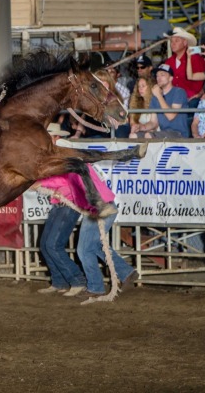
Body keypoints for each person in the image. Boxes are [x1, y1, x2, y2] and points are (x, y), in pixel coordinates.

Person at [35, 126, 138, 299]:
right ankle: (126, 272)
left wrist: (43, 184)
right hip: (101, 206)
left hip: (99, 207)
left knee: (84, 249)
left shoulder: (72, 164)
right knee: (93, 246)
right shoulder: (77, 164)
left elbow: (62, 182)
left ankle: (96, 287)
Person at [131, 64, 189, 138]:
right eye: (157, 75)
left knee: (149, 135)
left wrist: (159, 96)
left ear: (171, 78)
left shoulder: (179, 92)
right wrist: (140, 127)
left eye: (162, 75)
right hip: (163, 132)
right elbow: (153, 122)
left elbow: (171, 116)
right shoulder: (155, 96)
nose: (159, 78)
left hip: (178, 133)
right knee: (133, 135)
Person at [163, 27, 205, 102]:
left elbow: (199, 83)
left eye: (177, 41)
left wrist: (194, 96)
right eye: (172, 41)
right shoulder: (168, 62)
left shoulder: (195, 58)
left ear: (185, 42)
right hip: (173, 98)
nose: (173, 44)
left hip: (191, 98)